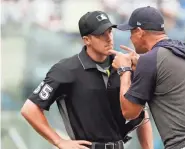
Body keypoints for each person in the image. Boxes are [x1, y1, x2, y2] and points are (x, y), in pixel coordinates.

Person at [20, 11, 153, 149]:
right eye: (102, 34)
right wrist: (59, 141)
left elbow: (141, 113)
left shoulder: (124, 66)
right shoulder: (66, 70)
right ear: (86, 40)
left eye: (110, 31)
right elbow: (29, 109)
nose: (109, 38)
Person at [109, 6, 185, 149]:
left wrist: (124, 70)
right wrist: (142, 65)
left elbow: (129, 112)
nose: (130, 38)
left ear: (140, 32)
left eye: (131, 32)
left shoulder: (150, 60)